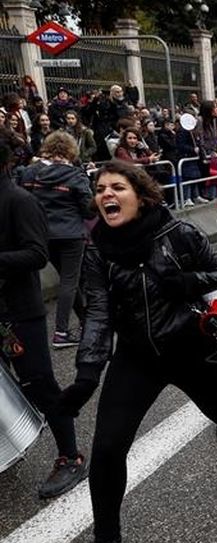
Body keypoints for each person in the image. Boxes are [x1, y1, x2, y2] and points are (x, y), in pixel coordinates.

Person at [60, 161, 217, 543]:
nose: (106, 194)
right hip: (136, 357)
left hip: (190, 348)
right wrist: (87, 374)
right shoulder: (98, 249)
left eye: (117, 187)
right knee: (107, 448)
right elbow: (98, 313)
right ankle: (108, 539)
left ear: (140, 195)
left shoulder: (178, 232)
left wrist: (183, 283)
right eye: (100, 188)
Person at [0, 128, 88, 500]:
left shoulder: (19, 200)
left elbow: (36, 254)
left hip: (18, 315)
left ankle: (71, 457)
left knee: (39, 383)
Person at [16, 132, 92, 347]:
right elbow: (88, 210)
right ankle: (61, 332)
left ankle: (86, 321)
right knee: (69, 281)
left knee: (69, 280)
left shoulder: (30, 173)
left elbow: (23, 201)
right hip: (71, 233)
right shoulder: (75, 175)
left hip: (41, 234)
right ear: (70, 150)